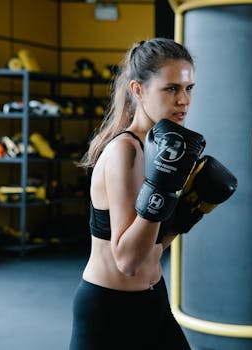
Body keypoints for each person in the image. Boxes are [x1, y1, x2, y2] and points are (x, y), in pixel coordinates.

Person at [68, 38, 205, 350]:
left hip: (152, 300)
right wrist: (163, 191)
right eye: (171, 89)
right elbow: (127, 260)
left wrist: (186, 216)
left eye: (189, 88)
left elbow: (149, 250)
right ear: (138, 90)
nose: (184, 100)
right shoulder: (124, 152)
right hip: (110, 311)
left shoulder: (161, 151)